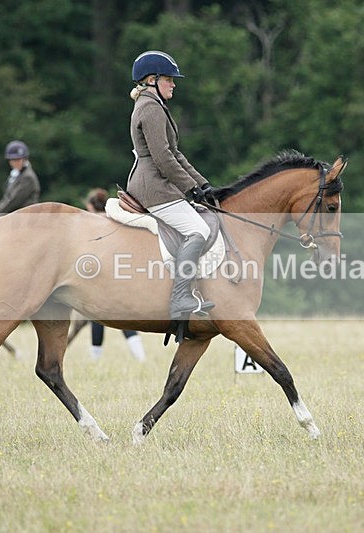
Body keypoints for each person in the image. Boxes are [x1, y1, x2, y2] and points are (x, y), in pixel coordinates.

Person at [126, 50, 220, 320]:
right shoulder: (151, 108)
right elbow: (163, 158)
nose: (174, 84)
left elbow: (176, 154)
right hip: (153, 186)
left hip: (158, 181)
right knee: (198, 229)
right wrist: (190, 189)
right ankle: (180, 298)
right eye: (169, 79)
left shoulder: (154, 105)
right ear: (152, 79)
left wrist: (202, 185)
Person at [82, 187, 146, 362]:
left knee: (96, 316)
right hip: (119, 271)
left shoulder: (90, 223)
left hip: (99, 273)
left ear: (90, 206)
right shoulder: (115, 219)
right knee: (122, 315)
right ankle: (140, 357)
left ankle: (94, 359)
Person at [0, 140, 41, 216]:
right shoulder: (14, 175)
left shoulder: (28, 177)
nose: (14, 163)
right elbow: (6, 197)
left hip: (25, 218)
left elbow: (14, 200)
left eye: (18, 160)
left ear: (24, 159)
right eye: (12, 160)